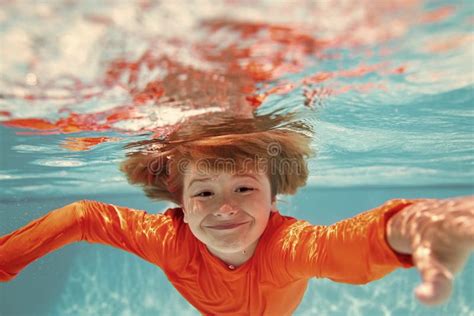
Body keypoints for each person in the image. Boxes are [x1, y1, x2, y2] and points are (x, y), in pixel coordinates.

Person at [0, 111, 472, 315]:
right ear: (180, 206)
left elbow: (349, 244)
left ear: (275, 199)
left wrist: (418, 225)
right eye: (203, 193)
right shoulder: (170, 239)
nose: (224, 208)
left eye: (244, 187)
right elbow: (84, 215)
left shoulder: (285, 247)